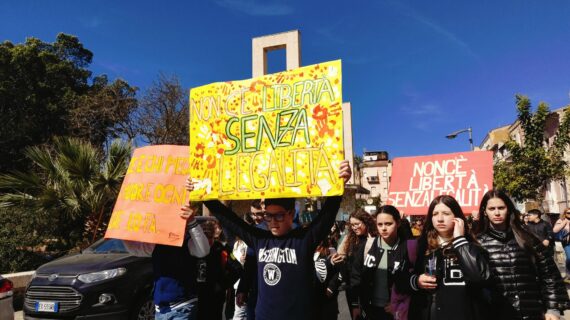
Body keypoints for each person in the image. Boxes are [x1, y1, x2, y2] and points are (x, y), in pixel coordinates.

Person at [185, 160, 351, 320]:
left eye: (278, 216)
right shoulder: (259, 239)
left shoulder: (304, 239)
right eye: (268, 216)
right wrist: (202, 193)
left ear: (291, 214)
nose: (272, 221)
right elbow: (229, 219)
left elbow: (328, 214)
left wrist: (340, 183)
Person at [477, 189, 569, 320]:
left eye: (501, 208)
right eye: (492, 209)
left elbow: (549, 273)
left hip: (533, 312)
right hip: (496, 312)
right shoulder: (477, 243)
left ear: (508, 209)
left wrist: (553, 309)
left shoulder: (527, 238)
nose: (497, 213)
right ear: (484, 211)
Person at [406, 195, 490, 320]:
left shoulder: (471, 246)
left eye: (446, 213)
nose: (440, 219)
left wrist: (460, 241)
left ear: (457, 218)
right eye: (435, 214)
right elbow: (402, 277)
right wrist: (416, 281)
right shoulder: (420, 245)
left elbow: (479, 278)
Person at [124, 204, 210, 320]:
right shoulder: (158, 243)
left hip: (182, 306)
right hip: (161, 309)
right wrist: (120, 232)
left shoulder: (187, 241)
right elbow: (135, 249)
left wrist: (192, 222)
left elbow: (203, 250)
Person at [351, 205, 412, 320]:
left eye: (388, 224)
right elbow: (356, 276)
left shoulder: (407, 248)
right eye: (380, 224)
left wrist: (399, 304)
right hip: (369, 310)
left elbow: (412, 281)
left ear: (398, 223)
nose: (383, 228)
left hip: (395, 313)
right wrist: (355, 305)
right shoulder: (368, 245)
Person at [196, 220, 242, 320]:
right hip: (196, 298)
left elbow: (237, 269)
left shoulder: (221, 250)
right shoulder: (193, 249)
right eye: (204, 237)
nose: (208, 241)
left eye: (210, 237)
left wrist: (222, 285)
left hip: (214, 299)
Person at [338, 209, 379, 319]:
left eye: (357, 224)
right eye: (352, 225)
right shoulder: (349, 239)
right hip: (352, 289)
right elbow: (341, 257)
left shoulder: (375, 239)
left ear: (366, 222)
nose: (354, 227)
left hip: (369, 291)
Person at [553, 207, 570, 283]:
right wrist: (564, 223)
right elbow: (555, 230)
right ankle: (568, 274)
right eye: (568, 213)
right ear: (565, 214)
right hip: (567, 243)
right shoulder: (561, 220)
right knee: (569, 258)